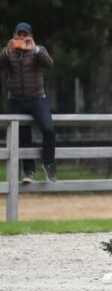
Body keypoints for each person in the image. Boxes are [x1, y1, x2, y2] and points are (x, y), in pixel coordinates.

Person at [0, 22, 57, 183]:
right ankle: (29, 172)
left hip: (37, 98)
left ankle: (49, 165)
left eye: (25, 34)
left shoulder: (39, 50)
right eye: (20, 34)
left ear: (31, 36)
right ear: (14, 35)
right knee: (22, 137)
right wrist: (6, 51)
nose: (22, 38)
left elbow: (49, 64)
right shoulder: (9, 52)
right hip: (16, 101)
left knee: (48, 129)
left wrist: (36, 50)